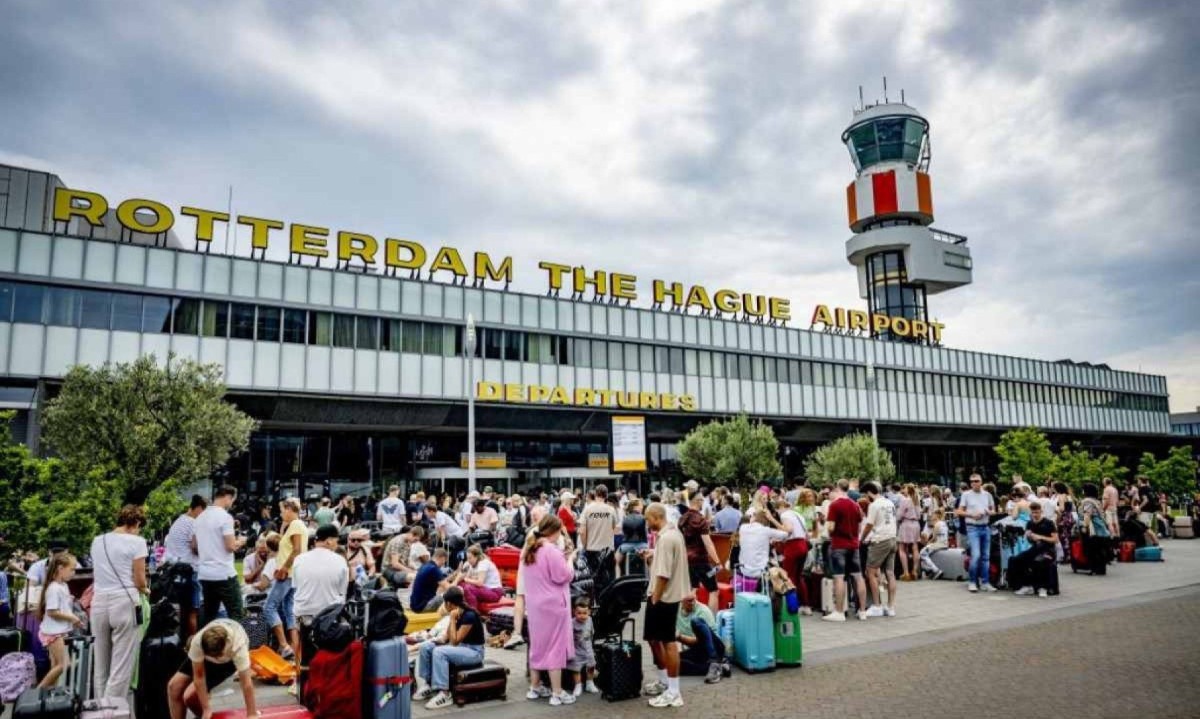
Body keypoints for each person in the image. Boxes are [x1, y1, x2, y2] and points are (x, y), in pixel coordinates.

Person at [90, 504, 149, 699]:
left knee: (101, 663)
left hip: (98, 602)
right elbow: (139, 579)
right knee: (121, 664)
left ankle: (99, 707)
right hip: (124, 602)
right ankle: (112, 710)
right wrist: (146, 590)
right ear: (136, 522)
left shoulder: (97, 541)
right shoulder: (137, 542)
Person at [520, 515, 577, 706]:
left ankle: (535, 688)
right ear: (556, 530)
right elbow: (564, 576)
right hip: (553, 605)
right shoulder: (551, 550)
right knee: (555, 648)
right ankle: (557, 693)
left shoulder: (530, 548)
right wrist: (570, 560)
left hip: (535, 606)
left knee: (538, 646)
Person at [640, 502, 689, 708]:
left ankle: (673, 691)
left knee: (667, 641)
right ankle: (665, 682)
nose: (646, 522)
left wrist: (655, 598)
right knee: (654, 638)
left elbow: (663, 574)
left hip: (664, 597)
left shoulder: (667, 538)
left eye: (647, 519)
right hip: (666, 595)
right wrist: (653, 555)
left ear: (656, 517)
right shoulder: (671, 535)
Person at [166, 619, 258, 719]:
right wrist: (206, 708)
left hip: (228, 659)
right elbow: (199, 675)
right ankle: (204, 714)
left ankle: (205, 716)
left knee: (189, 697)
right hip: (203, 652)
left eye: (216, 656)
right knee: (174, 687)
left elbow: (246, 683)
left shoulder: (238, 646)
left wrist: (251, 714)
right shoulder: (198, 641)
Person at [412, 586, 487, 710]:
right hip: (462, 648)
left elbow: (454, 641)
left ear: (449, 604)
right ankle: (428, 684)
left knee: (439, 652)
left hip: (474, 652)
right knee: (427, 647)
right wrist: (429, 641)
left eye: (444, 603)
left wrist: (452, 619)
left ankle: (445, 694)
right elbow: (445, 638)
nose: (443, 605)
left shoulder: (469, 616)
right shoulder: (457, 612)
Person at [291, 524, 348, 673]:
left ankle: (302, 672)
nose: (337, 544)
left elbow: (296, 587)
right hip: (329, 618)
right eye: (336, 540)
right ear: (329, 541)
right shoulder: (339, 560)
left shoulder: (299, 559)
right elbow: (343, 592)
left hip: (304, 615)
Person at [194, 485, 247, 626]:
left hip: (205, 573)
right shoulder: (225, 517)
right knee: (236, 613)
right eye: (232, 500)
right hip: (224, 573)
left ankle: (205, 645)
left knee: (209, 614)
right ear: (227, 497)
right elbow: (230, 546)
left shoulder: (200, 517)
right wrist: (241, 542)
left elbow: (193, 545)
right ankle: (237, 645)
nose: (232, 504)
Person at [162, 494, 208, 640]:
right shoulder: (193, 523)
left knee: (182, 610)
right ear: (199, 508)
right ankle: (193, 645)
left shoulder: (179, 521)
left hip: (176, 571)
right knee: (194, 611)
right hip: (191, 570)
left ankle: (182, 641)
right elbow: (195, 547)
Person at [264, 498, 305, 660]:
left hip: (288, 574)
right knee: (289, 610)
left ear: (289, 509)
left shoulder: (295, 525)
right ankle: (294, 648)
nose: (280, 514)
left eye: (282, 510)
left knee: (269, 607)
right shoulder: (295, 525)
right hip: (293, 574)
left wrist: (283, 569)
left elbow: (296, 550)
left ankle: (284, 645)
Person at [822, 479, 869, 622]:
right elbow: (860, 525)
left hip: (839, 544)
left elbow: (830, 527)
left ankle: (839, 611)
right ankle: (862, 611)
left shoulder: (835, 505)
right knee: (858, 576)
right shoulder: (855, 505)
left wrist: (831, 534)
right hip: (853, 544)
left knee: (839, 577)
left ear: (837, 488)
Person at [35, 552, 83, 689]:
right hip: (53, 632)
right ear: (60, 568)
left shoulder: (62, 586)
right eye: (72, 569)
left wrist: (69, 601)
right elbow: (52, 611)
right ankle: (37, 693)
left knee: (55, 665)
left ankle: (50, 693)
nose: (73, 573)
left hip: (56, 631)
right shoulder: (54, 588)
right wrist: (73, 618)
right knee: (63, 665)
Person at [861, 482, 899, 617]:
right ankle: (891, 607)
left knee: (870, 572)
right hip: (893, 538)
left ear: (869, 492)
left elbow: (869, 525)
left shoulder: (874, 505)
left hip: (880, 540)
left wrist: (862, 538)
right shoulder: (890, 503)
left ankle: (877, 605)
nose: (865, 498)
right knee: (890, 573)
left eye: (865, 495)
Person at [955, 473, 997, 593]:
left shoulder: (987, 495)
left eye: (976, 481)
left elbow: (994, 510)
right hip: (972, 527)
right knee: (976, 555)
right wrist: (972, 515)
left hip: (985, 526)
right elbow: (959, 511)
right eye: (972, 481)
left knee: (985, 556)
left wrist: (988, 512)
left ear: (981, 482)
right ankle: (972, 581)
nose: (974, 483)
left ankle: (985, 582)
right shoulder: (966, 495)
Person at [679, 494, 721, 614]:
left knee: (693, 588)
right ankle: (711, 621)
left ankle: (688, 618)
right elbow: (708, 544)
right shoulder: (700, 520)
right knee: (713, 591)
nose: (703, 502)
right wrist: (718, 562)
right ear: (697, 501)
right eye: (702, 500)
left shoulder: (683, 518)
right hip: (701, 561)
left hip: (687, 560)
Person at [1010, 501, 1058, 597]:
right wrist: (1029, 537)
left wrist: (1040, 537)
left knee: (1040, 561)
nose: (1035, 515)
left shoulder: (1048, 523)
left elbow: (1055, 540)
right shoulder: (1029, 523)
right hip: (1036, 548)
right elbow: (1031, 541)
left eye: (1037, 512)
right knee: (1016, 559)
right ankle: (1026, 585)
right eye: (1033, 513)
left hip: (1048, 549)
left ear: (1041, 511)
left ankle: (1043, 587)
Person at [676, 590, 724, 683]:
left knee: (696, 621)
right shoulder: (676, 611)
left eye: (694, 599)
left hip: (714, 648)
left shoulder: (702, 610)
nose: (693, 603)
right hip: (698, 650)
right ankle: (720, 668)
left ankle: (714, 663)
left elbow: (697, 641)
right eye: (689, 601)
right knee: (672, 663)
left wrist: (679, 637)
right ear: (681, 600)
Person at [737, 508, 787, 589]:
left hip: (744, 569)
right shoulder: (766, 530)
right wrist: (772, 519)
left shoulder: (742, 528)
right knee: (782, 573)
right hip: (760, 571)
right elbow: (786, 534)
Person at [578, 484, 619, 575]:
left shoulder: (588, 509)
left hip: (592, 548)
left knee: (592, 577)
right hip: (608, 550)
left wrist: (585, 546)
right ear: (606, 495)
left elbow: (581, 531)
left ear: (595, 494)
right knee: (608, 579)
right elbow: (616, 530)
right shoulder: (611, 510)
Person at [567, 597, 599, 696]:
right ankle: (578, 684)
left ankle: (590, 682)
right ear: (574, 612)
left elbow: (592, 633)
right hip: (577, 649)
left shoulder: (590, 620)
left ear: (589, 612)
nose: (582, 616)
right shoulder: (572, 623)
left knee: (591, 665)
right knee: (576, 668)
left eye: (584, 613)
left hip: (588, 648)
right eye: (579, 613)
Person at [457, 544, 505, 609]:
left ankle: (473, 611)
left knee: (468, 588)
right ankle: (461, 607)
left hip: (494, 592)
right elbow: (467, 578)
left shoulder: (483, 563)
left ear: (476, 557)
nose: (468, 560)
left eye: (470, 558)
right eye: (467, 558)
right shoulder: (472, 564)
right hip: (485, 589)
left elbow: (480, 582)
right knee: (461, 585)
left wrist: (465, 579)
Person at [425, 501, 467, 568]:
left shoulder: (440, 516)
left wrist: (442, 543)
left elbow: (442, 531)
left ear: (431, 511)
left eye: (426, 512)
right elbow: (438, 532)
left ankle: (446, 564)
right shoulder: (435, 518)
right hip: (450, 536)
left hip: (456, 536)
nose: (426, 514)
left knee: (445, 547)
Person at [410, 548, 450, 613]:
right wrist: (458, 578)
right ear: (441, 558)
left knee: (440, 590)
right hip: (423, 607)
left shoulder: (425, 565)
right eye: (444, 561)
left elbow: (441, 581)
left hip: (415, 605)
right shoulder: (434, 569)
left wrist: (454, 575)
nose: (443, 564)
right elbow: (449, 588)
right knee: (452, 595)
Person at [896, 484, 921, 581]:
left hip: (906, 524)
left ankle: (906, 573)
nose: (903, 490)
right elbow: (919, 515)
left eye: (904, 488)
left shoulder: (905, 500)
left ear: (908, 490)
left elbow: (899, 515)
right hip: (916, 524)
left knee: (902, 548)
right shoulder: (916, 501)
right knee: (915, 548)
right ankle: (914, 571)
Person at [616, 499, 648, 577]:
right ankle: (649, 578)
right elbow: (646, 532)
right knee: (650, 561)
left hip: (626, 546)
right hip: (642, 545)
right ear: (635, 507)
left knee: (616, 562)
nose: (642, 507)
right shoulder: (644, 518)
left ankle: (618, 578)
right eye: (640, 505)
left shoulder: (625, 518)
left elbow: (621, 532)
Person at [919, 508, 950, 578]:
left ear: (936, 516)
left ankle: (935, 570)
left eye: (933, 515)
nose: (932, 516)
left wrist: (927, 544)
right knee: (927, 550)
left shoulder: (937, 525)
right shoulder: (944, 523)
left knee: (922, 553)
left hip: (939, 544)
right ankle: (930, 570)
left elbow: (934, 538)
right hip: (945, 543)